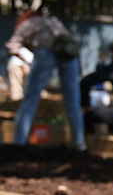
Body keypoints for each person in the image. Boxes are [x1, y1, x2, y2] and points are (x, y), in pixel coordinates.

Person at [4, 9, 85, 149]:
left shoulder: (28, 23)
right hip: (69, 55)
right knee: (73, 101)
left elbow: (12, 45)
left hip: (46, 52)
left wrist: (26, 58)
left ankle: (19, 142)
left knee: (30, 98)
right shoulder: (54, 21)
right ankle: (79, 142)